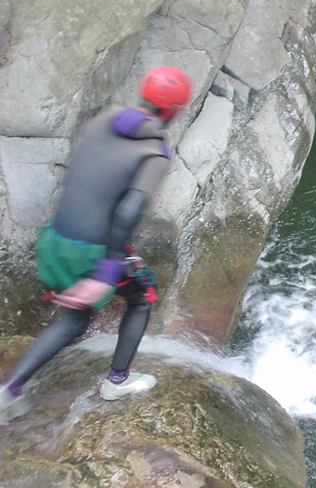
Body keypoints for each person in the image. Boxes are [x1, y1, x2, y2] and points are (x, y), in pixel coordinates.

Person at [0, 66, 192, 422]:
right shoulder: (153, 152)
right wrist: (105, 273)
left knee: (75, 318)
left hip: (56, 239)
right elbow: (128, 212)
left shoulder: (105, 117)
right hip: (89, 255)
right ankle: (117, 380)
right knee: (142, 294)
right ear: (176, 110)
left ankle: (8, 391)